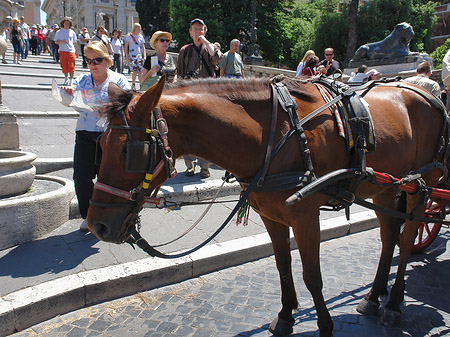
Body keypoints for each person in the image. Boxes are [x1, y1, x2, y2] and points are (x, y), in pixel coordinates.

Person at [59, 41, 131, 231]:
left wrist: (109, 107)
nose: (93, 65)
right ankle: (88, 214)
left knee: (108, 176)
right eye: (89, 61)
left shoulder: (119, 80)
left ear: (106, 60)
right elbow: (70, 101)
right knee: (81, 176)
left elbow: (128, 103)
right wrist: (67, 94)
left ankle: (114, 215)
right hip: (85, 131)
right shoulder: (82, 80)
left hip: (109, 134)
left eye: (97, 60)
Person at [177, 18, 223, 178]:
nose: (198, 32)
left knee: (206, 133)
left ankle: (205, 166)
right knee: (188, 131)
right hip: (189, 95)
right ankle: (190, 165)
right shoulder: (184, 50)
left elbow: (217, 59)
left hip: (207, 97)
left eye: (201, 29)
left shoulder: (211, 48)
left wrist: (205, 41)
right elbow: (180, 75)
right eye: (195, 30)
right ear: (190, 32)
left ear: (205, 31)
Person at [54, 17, 79, 85]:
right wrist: (61, 41)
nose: (67, 25)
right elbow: (55, 41)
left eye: (68, 24)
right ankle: (66, 78)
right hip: (63, 50)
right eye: (66, 23)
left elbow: (75, 42)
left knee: (71, 65)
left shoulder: (72, 32)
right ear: (63, 24)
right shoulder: (59, 32)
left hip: (71, 51)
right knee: (64, 65)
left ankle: (71, 79)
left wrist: (77, 52)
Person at [125, 23, 146, 90]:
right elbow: (126, 46)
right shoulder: (129, 36)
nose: (139, 29)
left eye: (140, 28)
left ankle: (140, 84)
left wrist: (144, 55)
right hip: (132, 55)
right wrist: (126, 55)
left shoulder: (140, 37)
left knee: (140, 71)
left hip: (139, 55)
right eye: (138, 28)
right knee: (134, 70)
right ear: (135, 28)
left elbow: (143, 47)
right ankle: (133, 83)